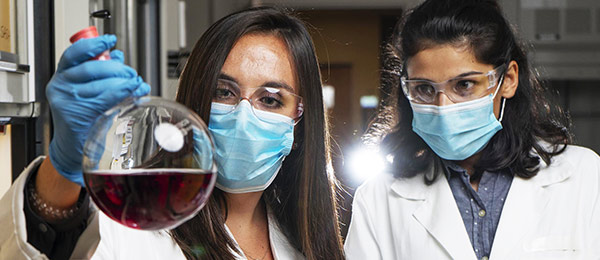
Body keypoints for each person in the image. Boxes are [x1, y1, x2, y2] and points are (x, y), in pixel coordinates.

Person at [0, 7, 345, 260]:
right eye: (223, 92)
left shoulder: (307, 243)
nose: (243, 115)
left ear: (299, 122)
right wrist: (62, 171)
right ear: (193, 99)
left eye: (270, 99)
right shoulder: (132, 229)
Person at [344, 0, 600, 259]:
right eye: (424, 89)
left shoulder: (584, 176)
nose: (443, 106)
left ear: (508, 80)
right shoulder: (379, 198)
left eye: (464, 84)